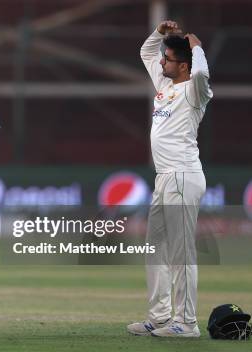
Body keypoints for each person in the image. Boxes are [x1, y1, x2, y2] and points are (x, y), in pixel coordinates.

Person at [127, 20, 212, 338]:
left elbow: (201, 72)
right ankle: (161, 316)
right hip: (165, 178)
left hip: (183, 176)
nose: (161, 62)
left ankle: (187, 323)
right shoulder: (165, 86)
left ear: (184, 64)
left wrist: (197, 47)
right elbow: (146, 50)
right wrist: (160, 34)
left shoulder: (195, 90)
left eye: (168, 59)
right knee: (156, 249)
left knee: (181, 253)